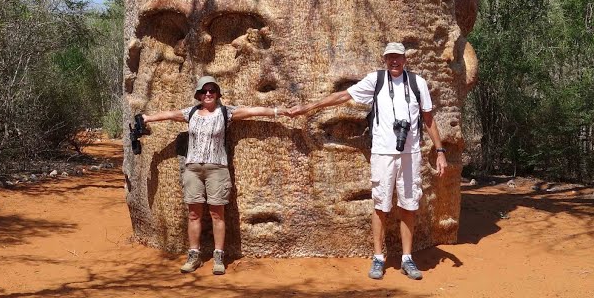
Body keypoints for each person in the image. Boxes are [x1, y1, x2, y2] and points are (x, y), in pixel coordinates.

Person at [288, 42, 448, 281]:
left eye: (398, 57)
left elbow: (428, 119)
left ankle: (407, 258)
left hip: (410, 154)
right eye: (389, 58)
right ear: (385, 60)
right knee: (381, 206)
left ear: (405, 59)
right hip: (383, 153)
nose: (394, 61)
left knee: (409, 205)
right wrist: (309, 107)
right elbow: (343, 95)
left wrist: (440, 151)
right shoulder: (376, 80)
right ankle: (378, 257)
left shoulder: (417, 83)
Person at [138, 75, 287, 275]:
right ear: (199, 95)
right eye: (204, 91)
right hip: (193, 169)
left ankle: (218, 256)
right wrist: (147, 118)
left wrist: (278, 111)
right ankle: (193, 255)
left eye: (212, 91)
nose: (208, 94)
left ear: (217, 94)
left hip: (217, 168)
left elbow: (252, 111)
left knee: (217, 214)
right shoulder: (190, 112)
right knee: (193, 214)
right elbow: (169, 114)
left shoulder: (225, 112)